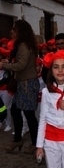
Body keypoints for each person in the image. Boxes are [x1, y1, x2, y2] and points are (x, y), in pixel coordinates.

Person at [36, 50, 64, 168]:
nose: (60, 71)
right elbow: (43, 118)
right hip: (50, 140)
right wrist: (40, 145)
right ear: (51, 71)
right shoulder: (46, 92)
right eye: (56, 67)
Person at [1, 20, 40, 154]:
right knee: (16, 111)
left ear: (20, 30)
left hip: (27, 84)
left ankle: (35, 143)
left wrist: (3, 65)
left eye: (14, 29)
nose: (12, 31)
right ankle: (19, 139)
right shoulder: (24, 44)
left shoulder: (23, 45)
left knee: (29, 114)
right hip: (24, 83)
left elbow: (21, 65)